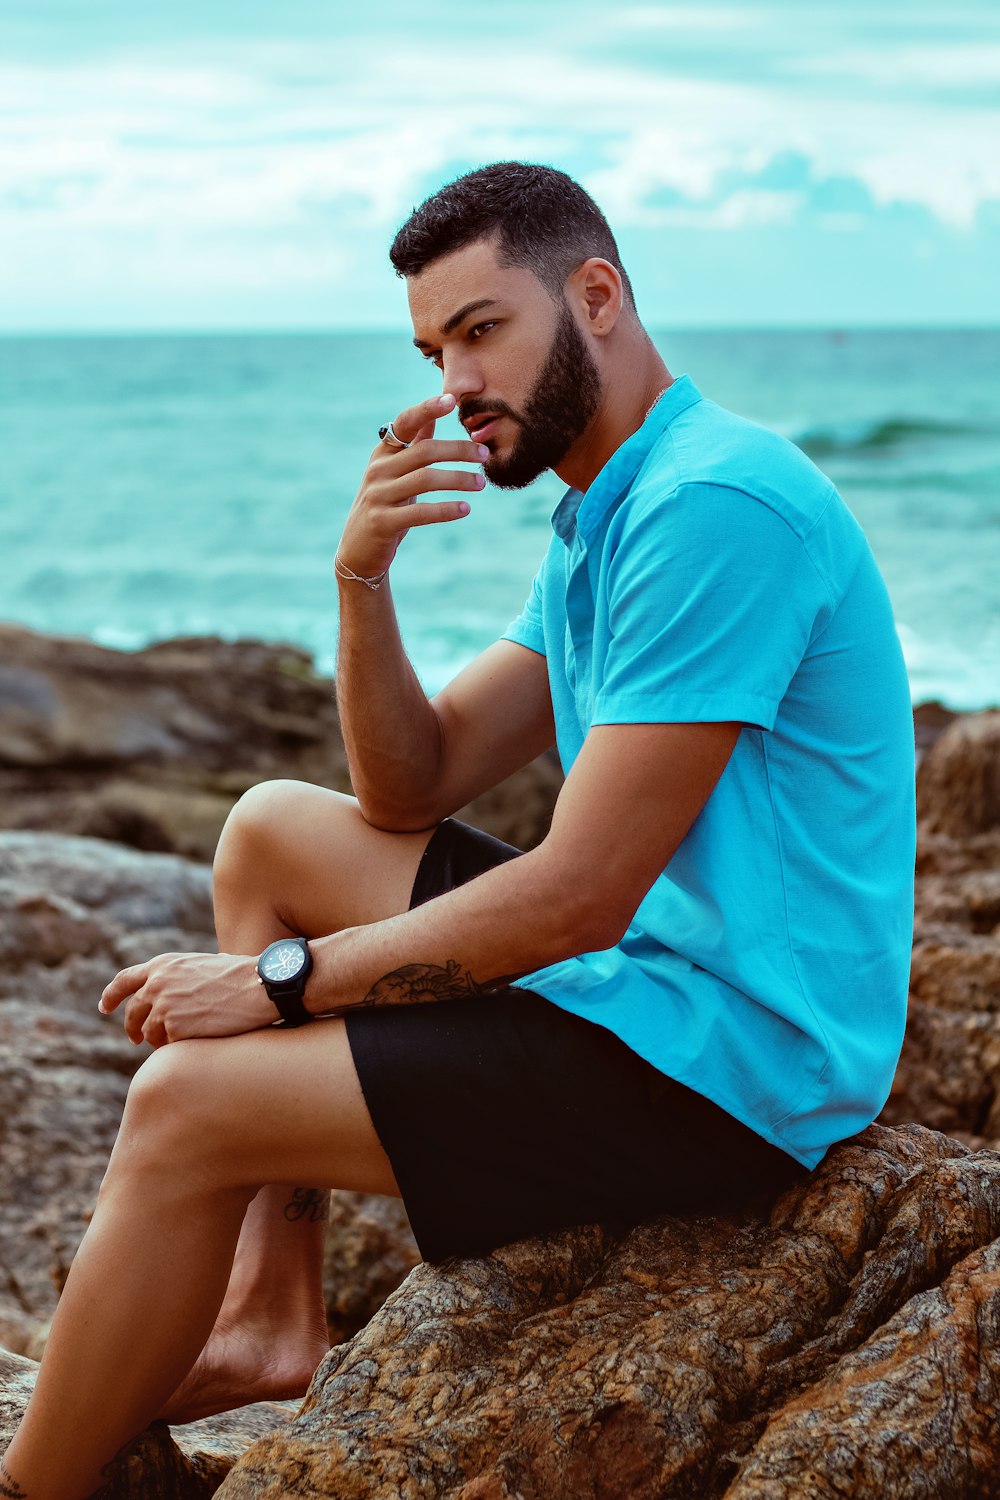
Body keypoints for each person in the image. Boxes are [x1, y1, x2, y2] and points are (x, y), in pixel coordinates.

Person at [1, 162, 916, 1500]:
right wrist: (360, 581)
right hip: (648, 986)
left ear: (596, 296)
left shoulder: (717, 509)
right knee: (267, 831)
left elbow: (576, 897)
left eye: (483, 329)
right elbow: (408, 788)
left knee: (186, 1102)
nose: (454, 382)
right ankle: (269, 1315)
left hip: (739, 1061)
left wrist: (275, 989)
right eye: (435, 348)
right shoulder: (608, 511)